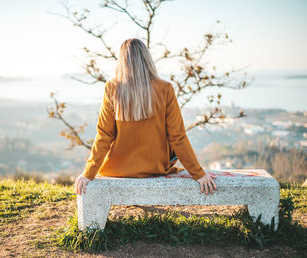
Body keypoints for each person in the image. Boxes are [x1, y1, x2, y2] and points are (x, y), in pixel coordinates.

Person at [75, 38, 217, 196]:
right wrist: (198, 173)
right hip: (154, 168)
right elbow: (177, 136)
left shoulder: (112, 87)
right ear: (147, 58)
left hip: (117, 169)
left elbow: (104, 134)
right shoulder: (165, 88)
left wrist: (88, 172)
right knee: (172, 143)